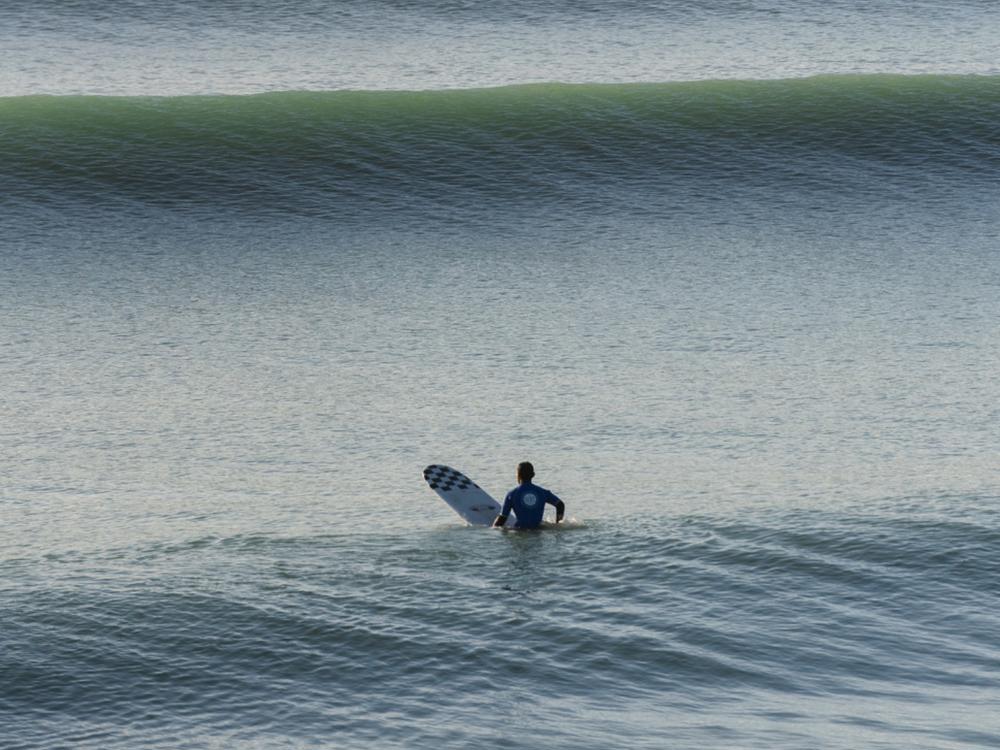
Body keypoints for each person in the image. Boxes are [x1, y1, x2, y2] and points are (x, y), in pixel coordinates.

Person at [493, 461, 565, 529]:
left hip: (520, 531)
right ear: (533, 475)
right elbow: (560, 505)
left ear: (518, 475)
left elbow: (502, 518)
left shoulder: (512, 494)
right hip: (538, 531)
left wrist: (493, 529)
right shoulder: (543, 492)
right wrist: (558, 525)